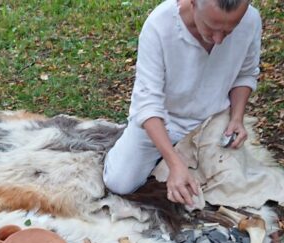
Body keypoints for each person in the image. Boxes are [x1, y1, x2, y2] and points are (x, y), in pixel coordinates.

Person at [103, 0, 261, 206]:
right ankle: (164, 154)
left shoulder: (250, 19)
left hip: (212, 121)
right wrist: (175, 164)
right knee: (119, 183)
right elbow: (147, 104)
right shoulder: (159, 26)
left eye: (229, 31)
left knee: (236, 191)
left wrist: (237, 118)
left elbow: (245, 74)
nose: (219, 39)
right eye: (211, 28)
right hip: (163, 120)